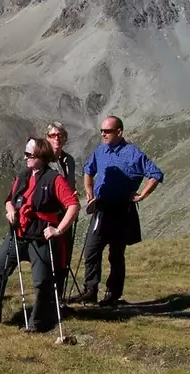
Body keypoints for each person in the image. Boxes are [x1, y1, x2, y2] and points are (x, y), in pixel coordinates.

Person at [0, 138, 79, 331]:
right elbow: (9, 200)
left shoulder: (54, 179)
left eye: (29, 155)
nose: (25, 157)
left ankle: (39, 321)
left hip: (41, 238)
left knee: (42, 281)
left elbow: (73, 205)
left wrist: (58, 229)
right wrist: (9, 210)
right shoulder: (23, 176)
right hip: (18, 234)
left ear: (41, 157)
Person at [70, 116, 164, 307]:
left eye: (108, 131)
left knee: (116, 254)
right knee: (91, 249)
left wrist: (141, 196)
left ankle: (112, 294)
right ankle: (90, 290)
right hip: (101, 208)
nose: (103, 134)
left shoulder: (133, 153)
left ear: (119, 132)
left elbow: (155, 174)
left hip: (122, 209)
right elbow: (88, 170)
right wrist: (89, 192)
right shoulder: (100, 150)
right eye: (102, 131)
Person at [45, 121, 78, 300]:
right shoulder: (42, 161)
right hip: (49, 215)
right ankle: (48, 299)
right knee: (49, 257)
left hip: (66, 215)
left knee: (64, 257)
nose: (57, 139)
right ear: (47, 138)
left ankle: (59, 298)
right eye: (53, 135)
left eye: (60, 135)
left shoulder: (69, 160)